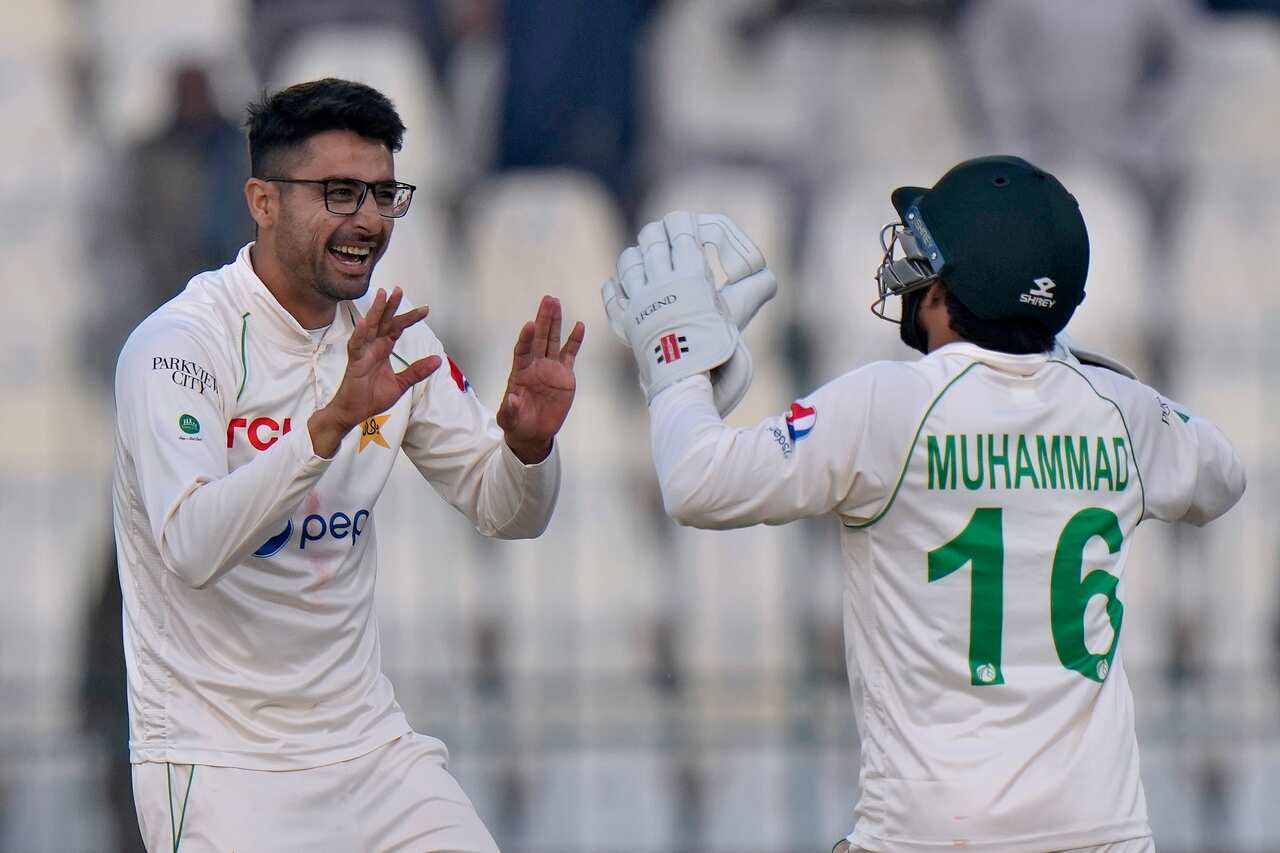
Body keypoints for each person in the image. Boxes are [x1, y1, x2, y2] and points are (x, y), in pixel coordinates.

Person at [601, 156, 1245, 852]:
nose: (909, 273)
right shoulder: (1121, 411)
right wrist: (1065, 360)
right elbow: (1224, 476)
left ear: (950, 295)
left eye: (924, 261)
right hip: (1103, 832)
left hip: (929, 834)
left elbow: (696, 481)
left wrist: (678, 367)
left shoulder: (889, 401)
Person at [111, 77, 585, 852]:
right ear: (263, 202)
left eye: (382, 194)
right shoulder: (178, 346)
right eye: (339, 193)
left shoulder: (394, 336)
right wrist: (328, 424)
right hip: (220, 763)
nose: (368, 220)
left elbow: (509, 512)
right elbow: (190, 545)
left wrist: (529, 449)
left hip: (369, 747)